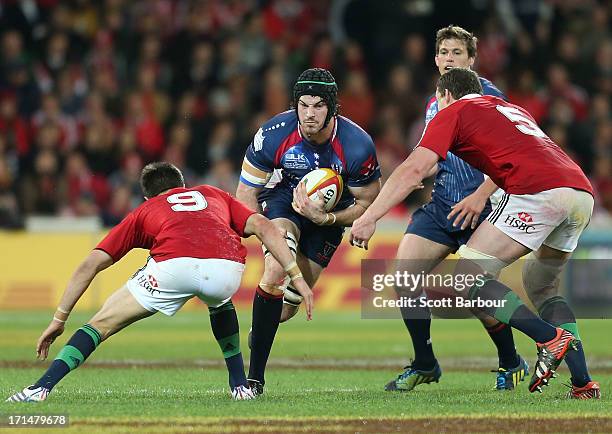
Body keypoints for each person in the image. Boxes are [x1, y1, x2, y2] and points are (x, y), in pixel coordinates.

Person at [351, 68, 600, 399]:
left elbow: (413, 171)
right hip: (580, 191)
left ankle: (547, 337)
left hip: (539, 192)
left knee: (466, 277)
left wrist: (370, 217)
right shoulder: (510, 109)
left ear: (445, 96)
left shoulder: (452, 111)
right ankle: (582, 382)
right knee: (542, 286)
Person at [6, 162, 313, 403]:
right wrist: (296, 276)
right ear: (183, 186)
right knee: (219, 300)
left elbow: (91, 264)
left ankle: (39, 389)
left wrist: (59, 319)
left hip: (173, 268)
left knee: (100, 324)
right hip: (227, 268)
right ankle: (239, 386)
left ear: (147, 196)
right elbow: (262, 225)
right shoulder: (212, 193)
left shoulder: (145, 210)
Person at [384, 25, 526, 392]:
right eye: (444, 52)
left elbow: (515, 154)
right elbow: (434, 155)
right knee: (403, 278)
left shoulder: (487, 95)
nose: (449, 59)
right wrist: (420, 172)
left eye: (457, 53)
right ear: (435, 59)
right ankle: (425, 363)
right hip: (444, 203)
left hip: (485, 206)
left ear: (472, 60)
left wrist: (482, 193)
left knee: (474, 290)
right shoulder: (435, 102)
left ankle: (511, 361)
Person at [236, 68, 381, 395]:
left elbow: (368, 203)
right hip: (284, 201)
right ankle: (255, 379)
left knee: (286, 309)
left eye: (317, 106)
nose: (309, 114)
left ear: (332, 108)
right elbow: (245, 192)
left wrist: (326, 219)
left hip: (329, 219)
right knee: (273, 273)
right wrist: (260, 229)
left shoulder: (357, 145)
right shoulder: (273, 133)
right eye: (303, 105)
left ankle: (262, 326)